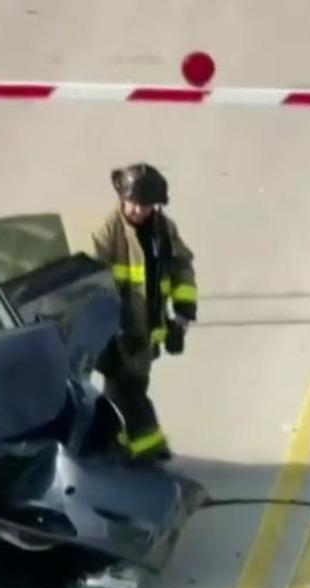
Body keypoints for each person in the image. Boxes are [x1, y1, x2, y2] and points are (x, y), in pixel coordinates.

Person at [89, 163, 197, 462]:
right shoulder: (110, 231)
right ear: (123, 197)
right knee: (124, 389)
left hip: (147, 331)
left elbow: (181, 269)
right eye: (134, 203)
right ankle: (146, 446)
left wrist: (183, 315)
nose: (138, 210)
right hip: (119, 331)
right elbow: (94, 281)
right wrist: (109, 330)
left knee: (128, 388)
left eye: (146, 205)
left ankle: (122, 444)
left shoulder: (164, 230)